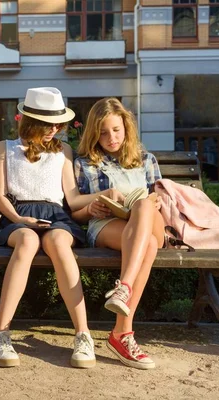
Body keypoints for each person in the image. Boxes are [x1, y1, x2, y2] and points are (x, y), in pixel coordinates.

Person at [0, 87, 115, 369]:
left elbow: (71, 198)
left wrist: (107, 195)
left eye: (59, 124)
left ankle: (83, 334)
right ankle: (1, 334)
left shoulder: (63, 150)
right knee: (28, 242)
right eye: (49, 124)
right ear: (30, 120)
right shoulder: (5, 148)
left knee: (59, 243)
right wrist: (21, 221)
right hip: (18, 215)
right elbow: (0, 197)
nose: (55, 129)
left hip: (57, 216)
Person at [73, 97, 164, 370]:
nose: (110, 137)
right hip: (108, 226)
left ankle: (122, 288)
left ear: (126, 128)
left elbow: (159, 200)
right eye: (102, 132)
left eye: (116, 130)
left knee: (144, 205)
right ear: (93, 133)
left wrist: (151, 204)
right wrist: (92, 207)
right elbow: (75, 213)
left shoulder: (146, 159)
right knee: (145, 243)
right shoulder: (85, 164)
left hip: (150, 222)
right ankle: (122, 334)